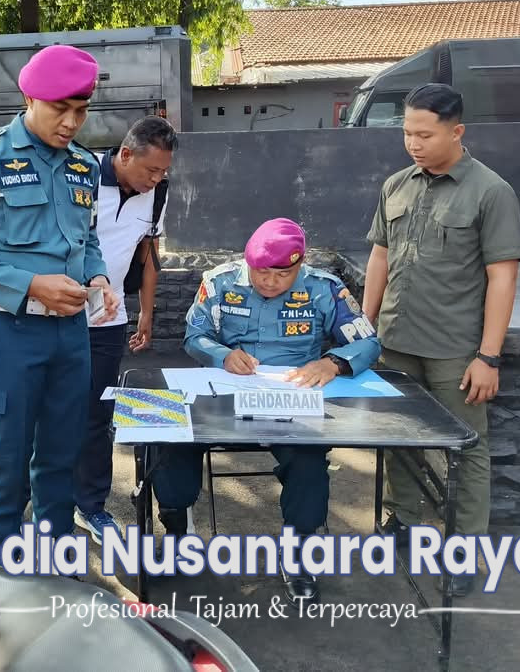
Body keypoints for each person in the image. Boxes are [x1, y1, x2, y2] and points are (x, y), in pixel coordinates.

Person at [0, 45, 120, 545]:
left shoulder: (84, 165)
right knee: (5, 466)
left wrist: (98, 278)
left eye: (81, 111)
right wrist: (32, 286)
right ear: (29, 98)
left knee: (61, 460)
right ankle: (0, 576)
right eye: (61, 108)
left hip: (72, 337)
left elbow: (87, 239)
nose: (72, 122)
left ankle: (55, 565)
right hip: (9, 335)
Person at [152, 218, 380, 603]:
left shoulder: (324, 289)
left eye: (282, 274)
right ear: (248, 262)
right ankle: (177, 531)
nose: (270, 282)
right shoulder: (220, 282)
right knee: (172, 442)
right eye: (261, 273)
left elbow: (368, 341)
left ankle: (299, 551)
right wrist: (222, 355)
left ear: (300, 264)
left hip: (292, 399)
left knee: (308, 462)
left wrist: (333, 363)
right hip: (223, 393)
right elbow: (195, 336)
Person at [362, 82, 520, 596]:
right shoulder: (396, 185)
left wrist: (488, 356)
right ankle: (403, 520)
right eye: (407, 132)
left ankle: (465, 552)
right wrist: (363, 330)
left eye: (425, 134)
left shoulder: (491, 192)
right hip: (396, 339)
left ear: (457, 132)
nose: (413, 143)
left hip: (455, 350)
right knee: (399, 436)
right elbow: (380, 257)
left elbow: (502, 276)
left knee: (466, 449)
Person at [73, 116, 177, 543]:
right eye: (151, 170)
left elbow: (147, 254)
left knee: (97, 416)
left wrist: (146, 313)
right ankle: (41, 497)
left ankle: (90, 505)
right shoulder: (79, 177)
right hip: (58, 315)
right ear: (126, 154)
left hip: (108, 321)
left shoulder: (157, 195)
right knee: (50, 410)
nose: (156, 179)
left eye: (163, 172)